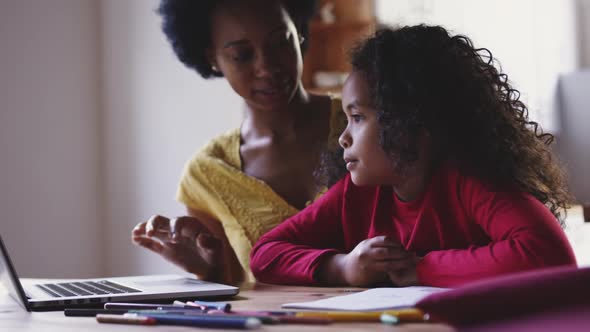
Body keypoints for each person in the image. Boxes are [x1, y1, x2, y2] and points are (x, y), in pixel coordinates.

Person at [250, 25, 578, 288]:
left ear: (410, 120)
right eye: (347, 119)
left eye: (359, 118)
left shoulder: (469, 183)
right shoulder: (356, 193)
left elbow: (549, 253)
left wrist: (419, 269)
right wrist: (343, 267)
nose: (343, 137)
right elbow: (265, 254)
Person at [131, 0, 345, 285]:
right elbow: (232, 292)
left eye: (281, 41)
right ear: (212, 59)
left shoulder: (365, 122)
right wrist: (207, 270)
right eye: (243, 55)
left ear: (299, 31)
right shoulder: (209, 174)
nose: (266, 67)